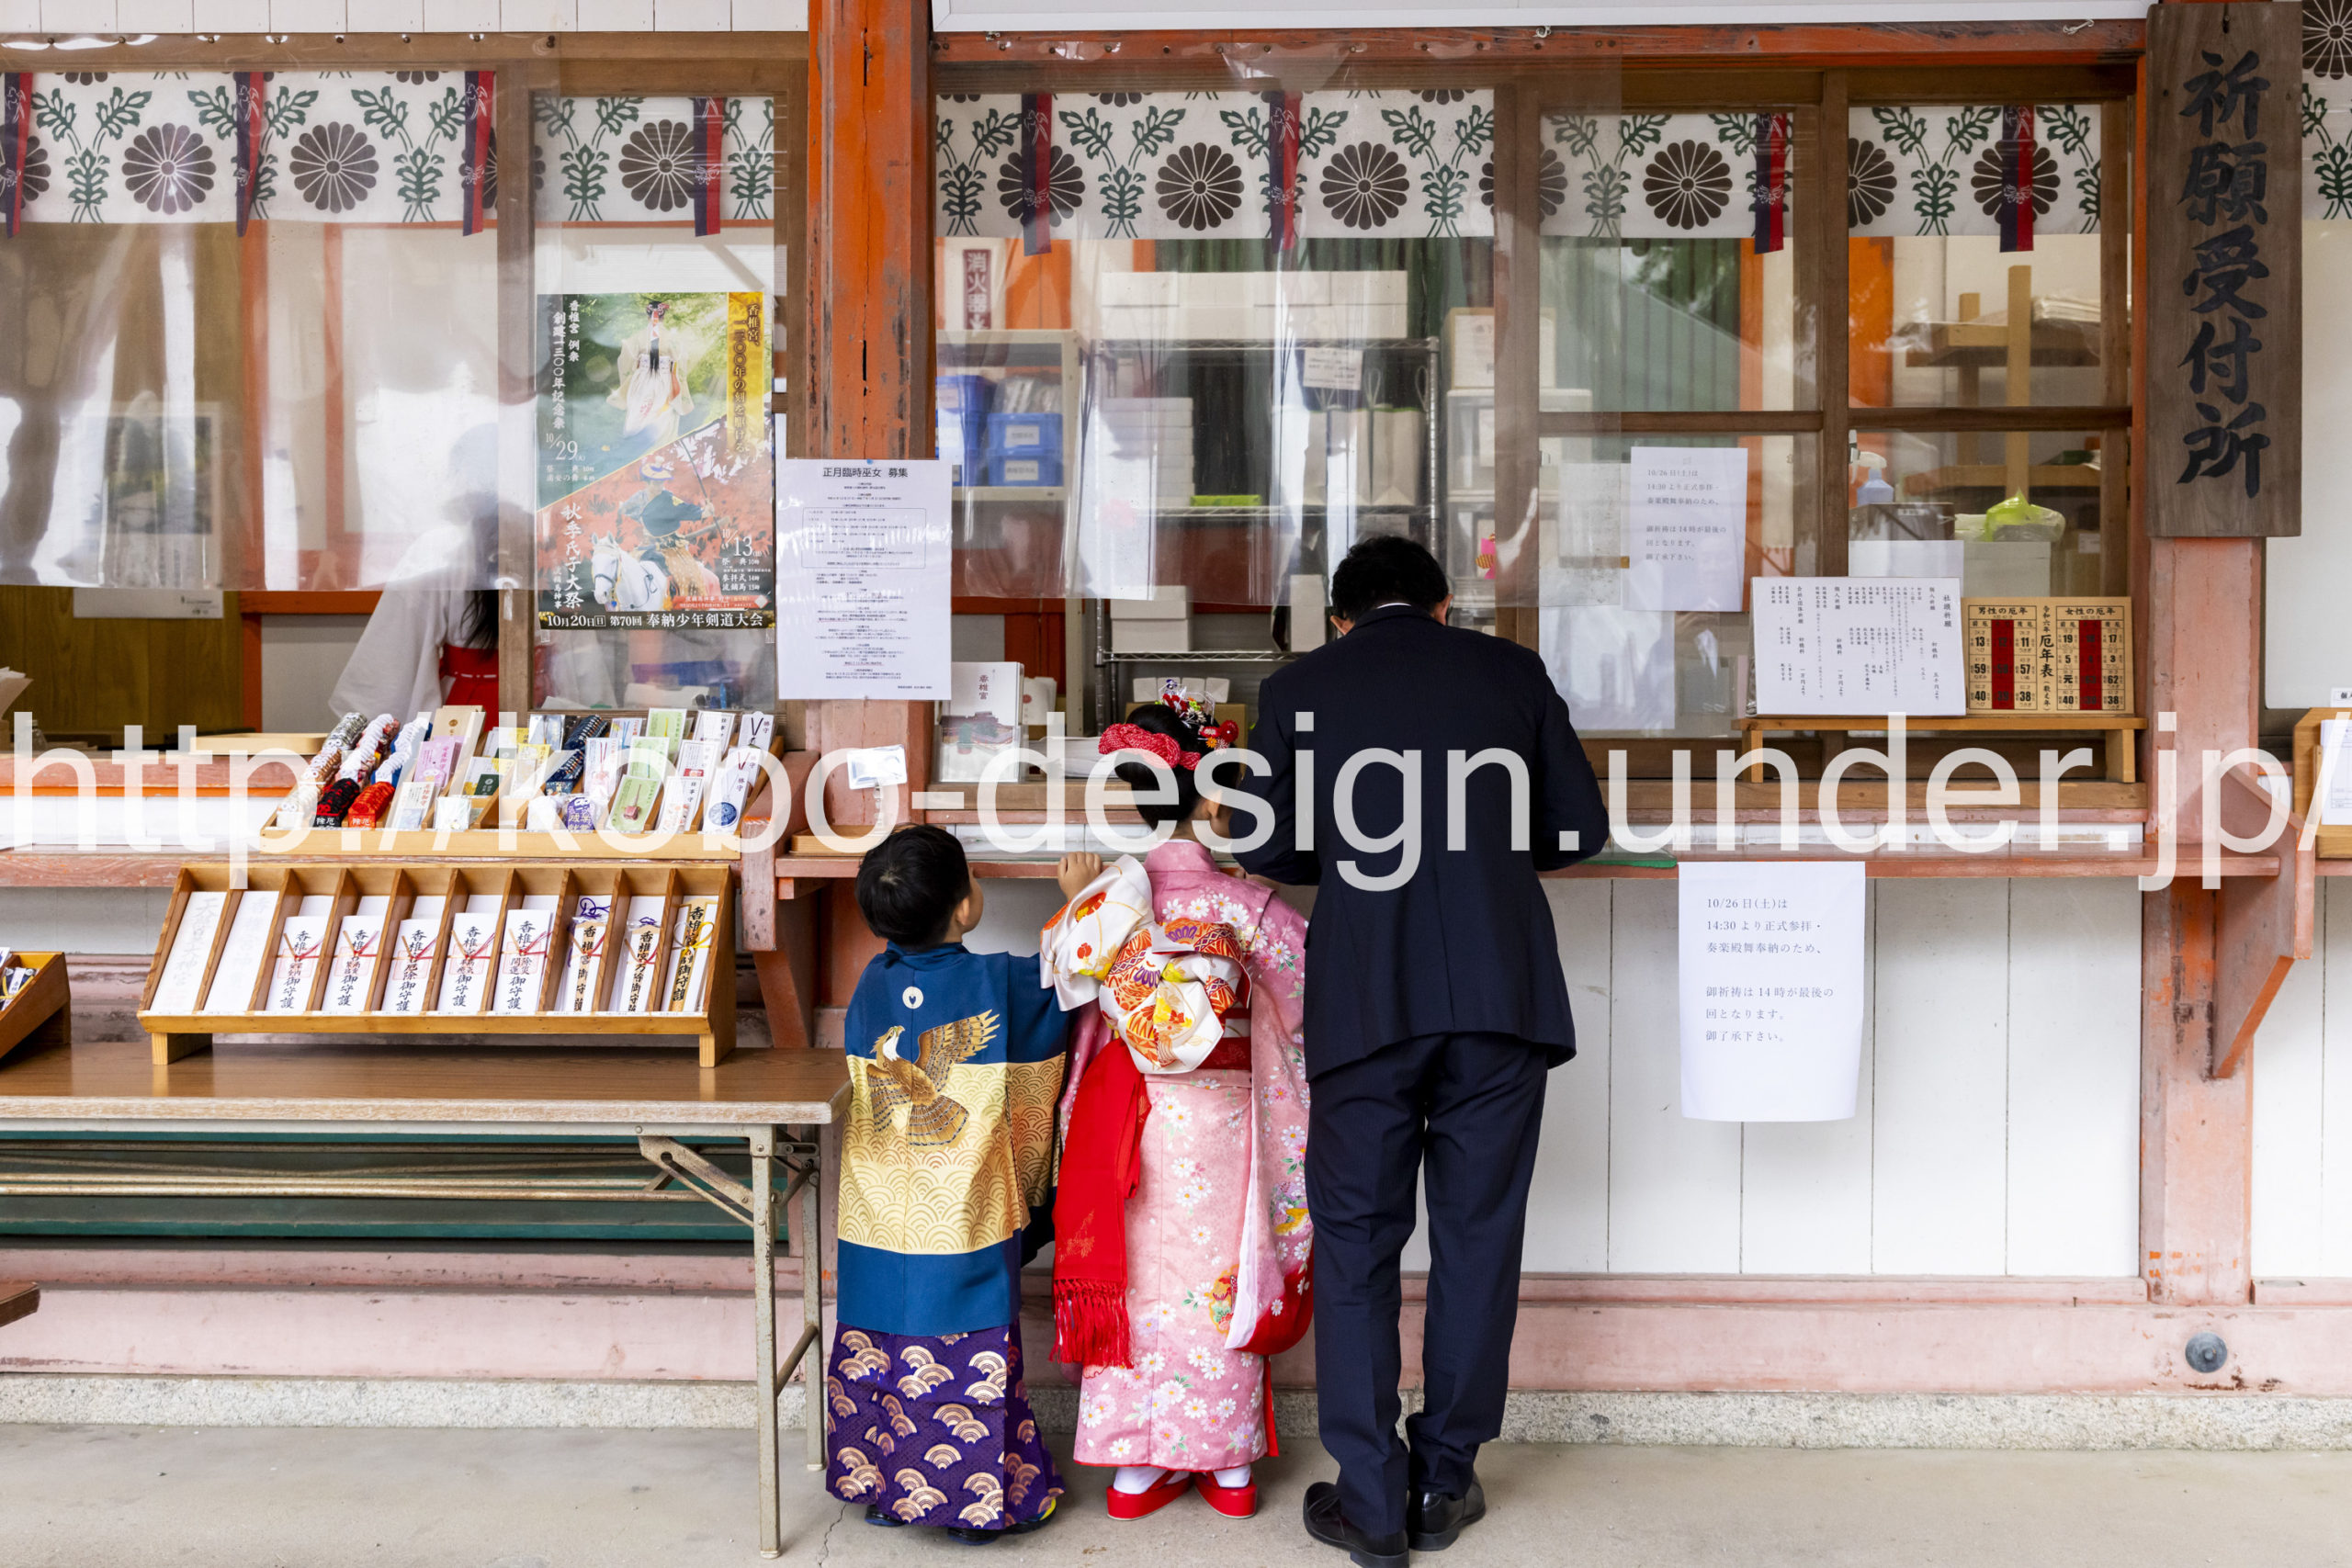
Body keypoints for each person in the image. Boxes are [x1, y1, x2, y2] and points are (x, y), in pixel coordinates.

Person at [1235, 536, 1609, 1568]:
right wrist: (1485, 850)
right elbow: (1578, 827)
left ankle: (1371, 1500)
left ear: (1339, 619)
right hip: (1500, 994)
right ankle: (1444, 1479)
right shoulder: (1511, 672)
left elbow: (1265, 844)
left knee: (1357, 1241)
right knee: (1478, 1236)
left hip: (1367, 998)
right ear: (1446, 605)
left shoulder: (1300, 688)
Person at [1039, 698, 1315, 1524]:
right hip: (1225, 1120)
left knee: (1136, 1278)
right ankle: (1228, 1462)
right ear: (1215, 797)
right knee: (1223, 1276)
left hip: (1128, 1116)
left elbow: (1082, 1020)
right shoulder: (1250, 909)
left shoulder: (1102, 902)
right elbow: (1310, 1004)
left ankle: (1136, 1466)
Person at [825, 825, 1070, 1542]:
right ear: (966, 906)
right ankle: (975, 1502)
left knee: (880, 1329)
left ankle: (884, 1484)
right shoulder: (1000, 982)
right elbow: (1071, 976)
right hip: (961, 1207)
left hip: (876, 1204)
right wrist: (1080, 899)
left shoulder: (871, 984)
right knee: (965, 1342)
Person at [327, 427, 503, 722]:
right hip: (540, 710)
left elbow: (392, 660)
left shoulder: (439, 547)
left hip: (466, 713)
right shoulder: (549, 542)